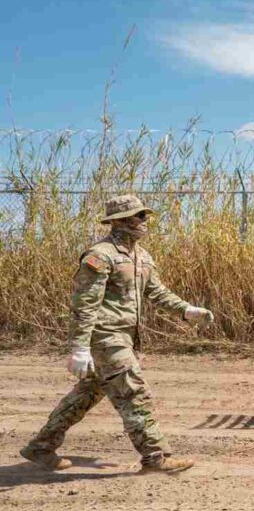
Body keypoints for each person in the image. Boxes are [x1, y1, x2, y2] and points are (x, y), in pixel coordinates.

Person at [20, 195, 214, 474]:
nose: (144, 223)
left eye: (144, 216)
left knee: (85, 395)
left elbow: (155, 291)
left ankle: (41, 447)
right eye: (139, 217)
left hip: (124, 337)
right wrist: (80, 348)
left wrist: (186, 310)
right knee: (134, 392)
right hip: (104, 336)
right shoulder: (100, 255)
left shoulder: (141, 256)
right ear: (120, 221)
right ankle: (155, 457)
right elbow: (84, 304)